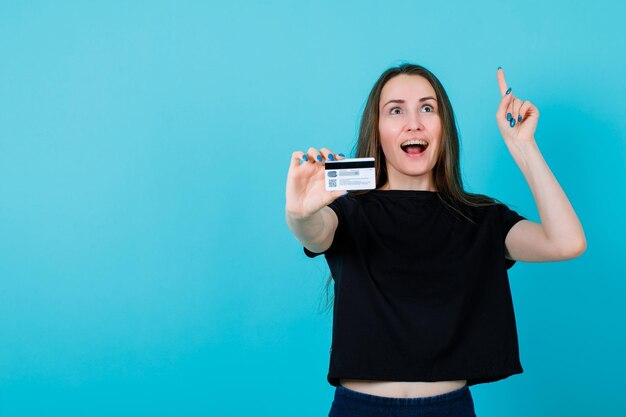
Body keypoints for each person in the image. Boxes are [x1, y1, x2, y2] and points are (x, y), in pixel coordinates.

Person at [285, 63, 586, 417]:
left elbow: (566, 242)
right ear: (377, 130)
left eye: (427, 108)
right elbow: (315, 233)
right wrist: (300, 213)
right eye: (396, 110)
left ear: (444, 128)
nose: (414, 122)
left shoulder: (482, 219)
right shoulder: (347, 213)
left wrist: (524, 148)